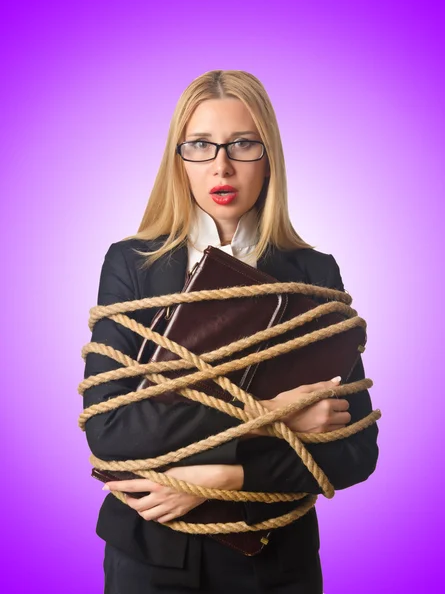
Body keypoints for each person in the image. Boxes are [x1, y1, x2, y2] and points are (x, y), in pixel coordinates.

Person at [82, 69, 379, 594]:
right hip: (149, 557)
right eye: (200, 145)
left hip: (277, 564)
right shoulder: (132, 265)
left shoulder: (314, 275)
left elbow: (353, 453)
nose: (221, 165)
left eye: (242, 144)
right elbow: (112, 433)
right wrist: (273, 416)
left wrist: (219, 477)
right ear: (180, 160)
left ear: (269, 158)